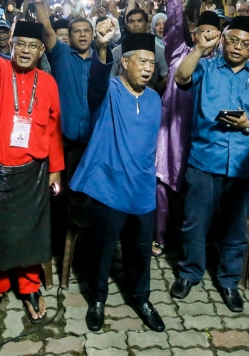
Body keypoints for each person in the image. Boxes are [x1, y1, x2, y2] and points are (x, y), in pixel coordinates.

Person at [0, 4, 63, 326]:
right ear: (12, 45)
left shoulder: (47, 82)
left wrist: (56, 170)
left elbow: (54, 128)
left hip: (33, 171)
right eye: (21, 45)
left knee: (30, 234)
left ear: (40, 50)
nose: (26, 51)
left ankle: (30, 287)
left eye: (33, 46)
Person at [170, 15, 249, 311]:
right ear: (223, 40)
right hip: (205, 160)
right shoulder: (206, 67)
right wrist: (199, 49)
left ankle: (229, 281)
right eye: (233, 40)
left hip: (243, 165)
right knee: (195, 223)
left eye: (245, 43)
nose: (238, 47)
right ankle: (189, 273)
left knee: (234, 228)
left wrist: (248, 123)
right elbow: (181, 78)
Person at [72, 27, 165, 332]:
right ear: (125, 62)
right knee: (103, 249)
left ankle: (140, 297)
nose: (149, 68)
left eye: (152, 63)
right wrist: (101, 49)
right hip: (109, 188)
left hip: (142, 190)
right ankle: (98, 298)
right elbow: (95, 85)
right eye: (142, 62)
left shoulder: (153, 98)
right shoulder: (110, 89)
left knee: (139, 251)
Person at [154, 0, 220, 257]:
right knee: (163, 185)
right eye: (201, 31)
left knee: (198, 193)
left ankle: (193, 243)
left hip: (203, 134)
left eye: (213, 32)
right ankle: (160, 236)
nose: (207, 37)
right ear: (194, 34)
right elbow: (173, 22)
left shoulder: (221, 63)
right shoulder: (178, 52)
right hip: (173, 130)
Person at [34, 0, 94, 151]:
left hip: (93, 138)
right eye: (77, 31)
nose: (82, 34)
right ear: (70, 35)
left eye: (86, 31)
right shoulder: (62, 54)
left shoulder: (101, 60)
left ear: (93, 35)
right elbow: (47, 32)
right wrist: (39, 4)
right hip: (62, 137)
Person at [112, 8, 168, 92]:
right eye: (131, 22)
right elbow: (111, 78)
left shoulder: (159, 50)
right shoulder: (117, 51)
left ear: (146, 24)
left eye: (139, 21)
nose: (136, 24)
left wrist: (153, 90)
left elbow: (166, 77)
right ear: (127, 25)